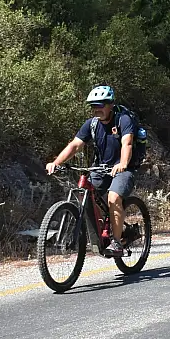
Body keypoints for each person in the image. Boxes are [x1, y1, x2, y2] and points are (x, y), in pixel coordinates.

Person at [46, 84, 137, 256]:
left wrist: (123, 163)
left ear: (110, 104)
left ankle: (117, 243)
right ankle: (99, 235)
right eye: (93, 106)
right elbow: (74, 145)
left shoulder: (123, 119)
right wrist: (56, 162)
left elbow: (128, 143)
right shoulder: (92, 124)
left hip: (124, 169)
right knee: (85, 196)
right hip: (101, 169)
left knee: (113, 197)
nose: (97, 109)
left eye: (100, 105)